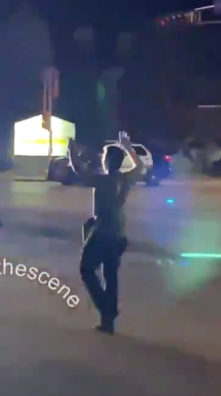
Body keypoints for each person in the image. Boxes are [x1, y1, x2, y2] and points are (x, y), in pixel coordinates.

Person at [68, 132, 144, 334]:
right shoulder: (126, 178)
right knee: (110, 275)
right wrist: (128, 147)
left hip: (102, 231)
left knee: (86, 269)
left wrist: (72, 152)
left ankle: (107, 309)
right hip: (119, 233)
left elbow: (79, 171)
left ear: (108, 160)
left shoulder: (101, 180)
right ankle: (107, 322)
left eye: (103, 156)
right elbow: (140, 167)